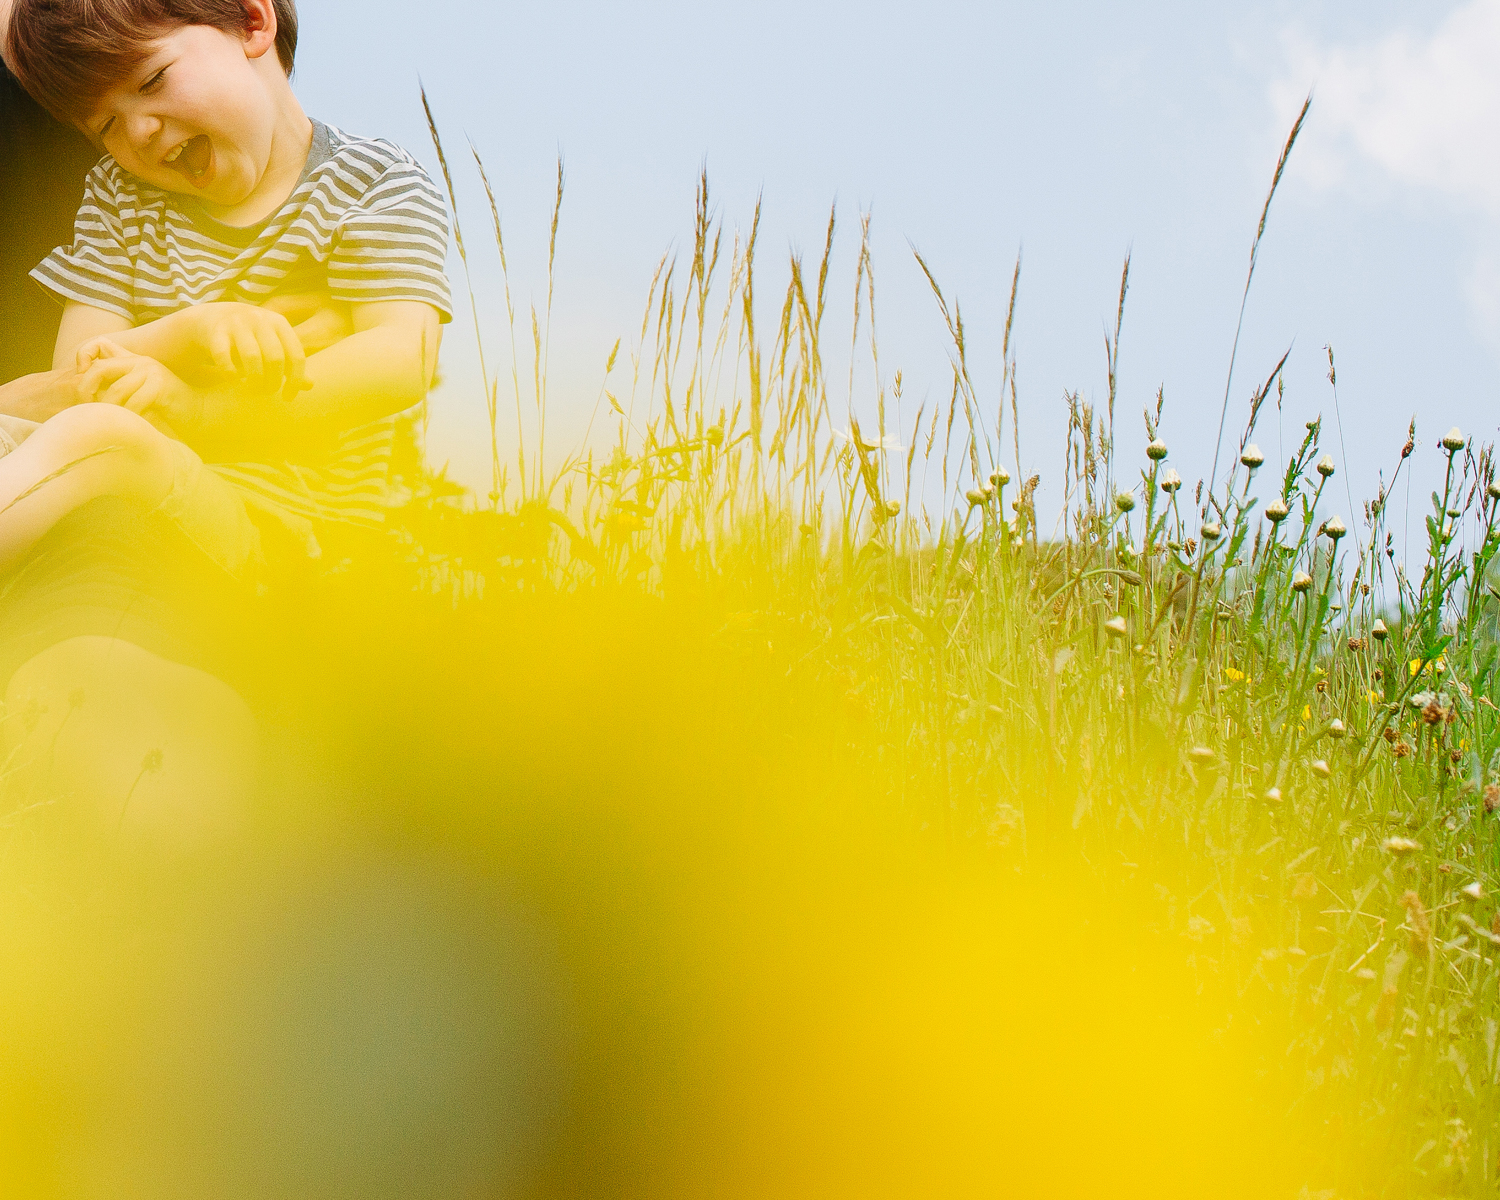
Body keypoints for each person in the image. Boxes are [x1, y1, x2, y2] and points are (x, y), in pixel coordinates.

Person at [0, 0, 451, 827]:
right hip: (144, 513)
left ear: (252, 26)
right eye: (104, 125)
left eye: (153, 80)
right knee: (55, 432)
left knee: (104, 437)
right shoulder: (122, 199)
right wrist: (188, 334)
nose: (137, 133)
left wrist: (192, 411)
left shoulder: (370, 182)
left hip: (288, 533)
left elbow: (400, 360)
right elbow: (72, 377)